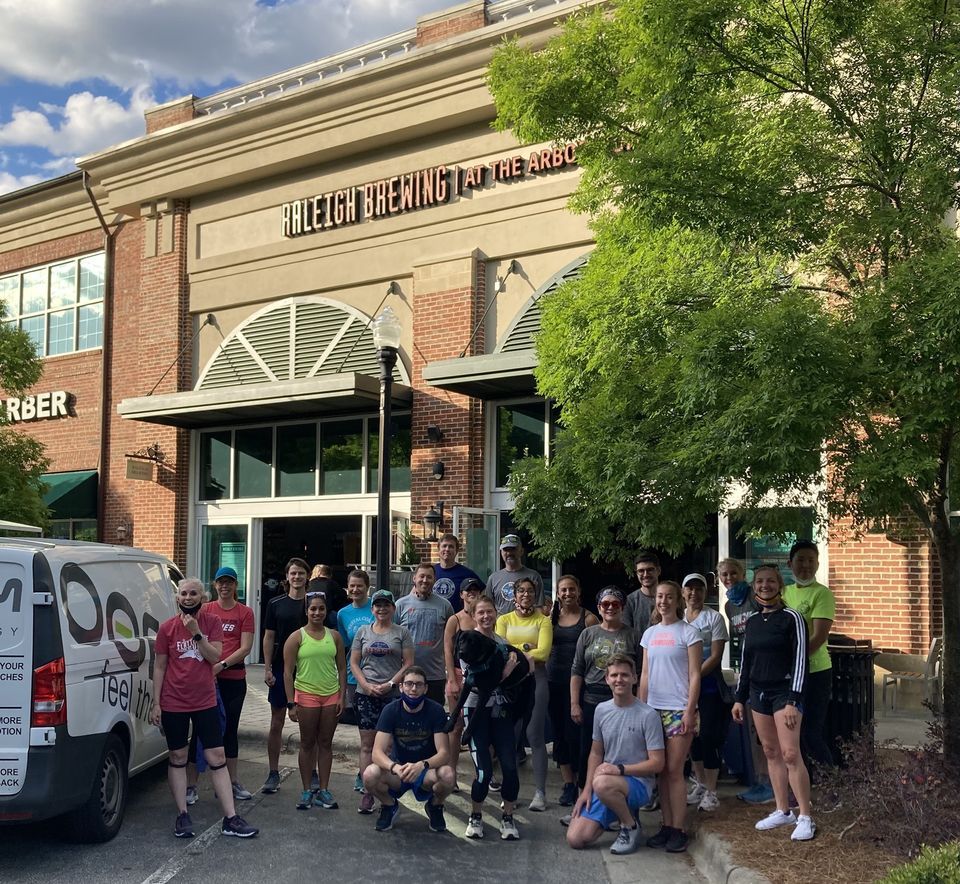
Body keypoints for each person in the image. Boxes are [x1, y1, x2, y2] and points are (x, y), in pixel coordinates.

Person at [150, 578, 258, 839]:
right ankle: (182, 815)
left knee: (217, 757)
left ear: (202, 597)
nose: (188, 598)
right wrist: (156, 703)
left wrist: (197, 632)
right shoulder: (167, 629)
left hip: (205, 700)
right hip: (174, 701)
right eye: (184, 593)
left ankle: (231, 818)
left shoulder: (212, 623)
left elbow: (214, 658)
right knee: (177, 757)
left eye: (193, 593)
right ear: (177, 598)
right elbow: (160, 666)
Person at [733, 564, 816, 842]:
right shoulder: (753, 621)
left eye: (770, 581)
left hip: (785, 693)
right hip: (758, 694)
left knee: (791, 753)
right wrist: (739, 698)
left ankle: (805, 815)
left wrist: (794, 699)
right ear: (753, 586)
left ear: (780, 584)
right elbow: (746, 662)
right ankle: (783, 810)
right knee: (770, 751)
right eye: (759, 581)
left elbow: (801, 660)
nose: (764, 585)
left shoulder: (792, 617)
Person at [566, 655, 665, 855]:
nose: (619, 679)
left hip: (637, 783)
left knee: (602, 783)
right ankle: (621, 812)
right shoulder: (601, 710)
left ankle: (630, 826)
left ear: (634, 678)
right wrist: (585, 791)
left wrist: (619, 769)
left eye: (624, 675)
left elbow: (658, 763)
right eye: (614, 675)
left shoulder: (648, 715)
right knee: (575, 839)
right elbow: (596, 752)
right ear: (607, 680)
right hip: (607, 783)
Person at [640, 580, 702, 853]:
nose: (663, 601)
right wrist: (640, 710)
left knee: (675, 771)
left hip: (678, 710)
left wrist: (690, 710)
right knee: (661, 771)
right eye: (659, 596)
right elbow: (644, 675)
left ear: (678, 600)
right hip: (653, 710)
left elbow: (695, 675)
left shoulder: (689, 633)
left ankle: (679, 828)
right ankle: (666, 825)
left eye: (669, 597)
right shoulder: (650, 634)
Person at [186, 566, 255, 807]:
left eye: (229, 582)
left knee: (229, 732)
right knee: (199, 732)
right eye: (220, 582)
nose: (224, 586)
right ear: (214, 585)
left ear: (236, 586)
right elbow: (194, 641)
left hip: (233, 679)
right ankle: (191, 785)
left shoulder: (245, 612)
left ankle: (231, 781)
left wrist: (221, 665)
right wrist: (208, 669)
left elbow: (245, 648)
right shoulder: (205, 610)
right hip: (207, 681)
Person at [461, 595, 527, 841]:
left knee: (510, 767)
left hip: (501, 710)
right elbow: (476, 682)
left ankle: (508, 816)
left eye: (490, 612)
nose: (486, 617)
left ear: (495, 614)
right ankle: (475, 814)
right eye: (481, 613)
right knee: (483, 772)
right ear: (474, 616)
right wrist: (505, 672)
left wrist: (517, 668)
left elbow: (517, 673)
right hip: (475, 710)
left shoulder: (502, 642)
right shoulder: (467, 640)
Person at [363, 665, 456, 833]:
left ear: (426, 688)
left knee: (448, 775)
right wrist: (395, 767)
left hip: (425, 772)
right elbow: (377, 753)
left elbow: (444, 753)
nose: (414, 688)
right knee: (370, 774)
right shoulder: (390, 710)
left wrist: (422, 765)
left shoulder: (436, 711)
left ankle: (435, 806)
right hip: (399, 771)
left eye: (419, 684)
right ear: (401, 687)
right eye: (409, 684)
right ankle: (389, 805)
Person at [570, 587, 643, 795]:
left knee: (618, 751)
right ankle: (584, 799)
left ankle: (614, 799)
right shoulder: (588, 634)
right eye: (605, 604)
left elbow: (639, 671)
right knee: (588, 751)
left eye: (615, 604)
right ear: (599, 608)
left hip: (622, 700)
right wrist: (574, 703)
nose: (610, 608)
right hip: (592, 699)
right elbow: (577, 669)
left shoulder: (633, 635)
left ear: (622, 607)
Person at [351, 589, 414, 814]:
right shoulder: (362, 632)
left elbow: (408, 663)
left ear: (393, 608)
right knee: (367, 745)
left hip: (392, 695)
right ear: (372, 608)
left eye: (386, 605)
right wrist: (367, 686)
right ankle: (368, 791)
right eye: (378, 605)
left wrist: (390, 684)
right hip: (365, 694)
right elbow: (355, 663)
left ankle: (386, 788)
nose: (381, 609)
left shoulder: (402, 632)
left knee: (386, 746)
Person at [283, 591, 347, 811]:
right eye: (313, 608)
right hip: (306, 695)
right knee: (307, 743)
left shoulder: (335, 636)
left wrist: (341, 696)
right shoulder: (296, 637)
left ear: (326, 610)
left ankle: (324, 789)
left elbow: (341, 668)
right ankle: (306, 789)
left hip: (330, 696)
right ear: (306, 611)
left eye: (321, 608)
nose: (317, 612)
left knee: (326, 744)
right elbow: (287, 672)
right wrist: (291, 703)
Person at [496, 576, 553, 811]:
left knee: (535, 735)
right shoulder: (503, 619)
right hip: (510, 684)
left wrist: (515, 651)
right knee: (509, 736)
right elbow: (500, 649)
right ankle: (510, 792)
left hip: (536, 680)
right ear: (514, 594)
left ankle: (540, 793)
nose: (526, 595)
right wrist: (527, 649)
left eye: (530, 591)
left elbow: (544, 654)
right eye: (521, 591)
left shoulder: (543, 621)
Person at [720, 557, 773, 805]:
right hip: (748, 672)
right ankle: (762, 781)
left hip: (769, 671)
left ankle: (776, 782)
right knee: (756, 732)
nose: (729, 579)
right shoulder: (730, 606)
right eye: (724, 576)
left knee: (770, 733)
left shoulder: (756, 596)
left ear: (743, 575)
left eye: (733, 574)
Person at [783, 540, 836, 772]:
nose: (805, 565)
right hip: (789, 675)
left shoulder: (822, 594)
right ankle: (805, 784)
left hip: (815, 673)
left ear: (817, 564)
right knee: (792, 733)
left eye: (810, 560)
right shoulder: (783, 593)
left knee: (811, 733)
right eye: (800, 560)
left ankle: (831, 783)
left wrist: (794, 662)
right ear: (790, 563)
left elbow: (818, 637)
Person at [547, 575, 598, 808]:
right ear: (558, 593)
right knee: (559, 734)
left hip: (579, 684)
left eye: (571, 589)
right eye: (563, 590)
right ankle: (568, 783)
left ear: (578, 591)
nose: (567, 594)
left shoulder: (588, 619)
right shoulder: (551, 617)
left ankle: (582, 782)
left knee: (577, 735)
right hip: (554, 681)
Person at [261, 557, 311, 794]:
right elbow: (269, 636)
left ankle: (310, 771)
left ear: (307, 576)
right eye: (293, 573)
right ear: (287, 577)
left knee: (309, 726)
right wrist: (267, 667)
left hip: (310, 671)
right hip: (282, 670)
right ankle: (273, 772)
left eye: (301, 573)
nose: (297, 577)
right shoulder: (275, 603)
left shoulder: (314, 603)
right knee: (276, 722)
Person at [681, 573, 730, 813]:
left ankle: (711, 791)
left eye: (698, 589)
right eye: (689, 589)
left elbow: (716, 656)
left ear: (706, 592)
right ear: (683, 593)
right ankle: (699, 783)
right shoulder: (678, 619)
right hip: (683, 689)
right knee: (692, 737)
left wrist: (695, 677)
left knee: (709, 737)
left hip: (709, 687)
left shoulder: (714, 619)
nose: (694, 593)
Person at [443, 576, 485, 790]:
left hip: (481, 677)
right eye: (468, 591)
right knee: (456, 725)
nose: (472, 594)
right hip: (459, 675)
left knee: (481, 725)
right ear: (461, 594)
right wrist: (451, 678)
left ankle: (484, 772)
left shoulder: (484, 618)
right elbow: (447, 650)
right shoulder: (455, 620)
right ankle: (451, 772)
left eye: (476, 591)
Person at [337, 569, 376, 791]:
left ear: (367, 587)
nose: (355, 589)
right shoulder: (343, 614)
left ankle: (377, 772)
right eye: (351, 586)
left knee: (380, 730)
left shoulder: (377, 607)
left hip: (380, 676)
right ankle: (363, 773)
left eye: (359, 585)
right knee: (364, 728)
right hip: (354, 678)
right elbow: (344, 647)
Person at [395, 563, 453, 705]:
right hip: (407, 674)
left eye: (429, 577)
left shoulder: (445, 605)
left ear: (435, 580)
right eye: (421, 576)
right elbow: (393, 637)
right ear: (414, 578)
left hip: (435, 674)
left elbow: (450, 639)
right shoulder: (400, 605)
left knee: (435, 718)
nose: (425, 580)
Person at [486, 534, 547, 614]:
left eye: (513, 549)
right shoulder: (493, 578)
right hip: (502, 625)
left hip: (527, 623)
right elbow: (487, 607)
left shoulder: (534, 576)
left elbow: (540, 607)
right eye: (506, 550)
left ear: (521, 551)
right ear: (501, 552)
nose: (509, 553)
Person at [432, 533, 481, 614]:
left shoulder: (466, 573)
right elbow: (415, 592)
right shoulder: (431, 571)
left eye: (451, 546)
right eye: (444, 546)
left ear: (456, 551)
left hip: (458, 621)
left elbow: (482, 593)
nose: (447, 549)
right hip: (434, 618)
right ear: (438, 549)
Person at [623, 550, 661, 634]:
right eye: (641, 571)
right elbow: (627, 634)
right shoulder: (629, 601)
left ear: (658, 570)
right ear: (636, 573)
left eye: (650, 570)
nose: (645, 574)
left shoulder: (669, 597)